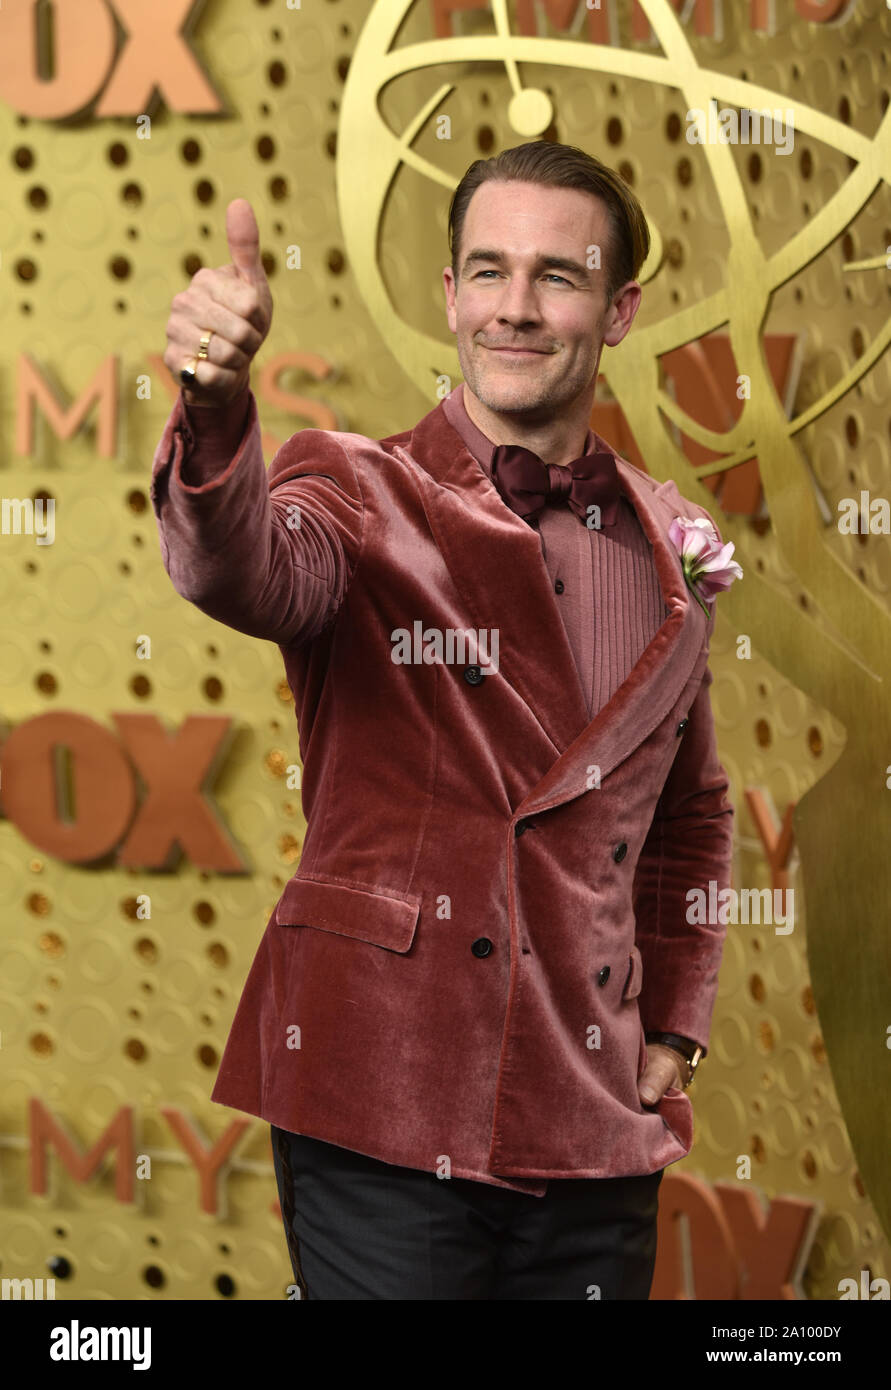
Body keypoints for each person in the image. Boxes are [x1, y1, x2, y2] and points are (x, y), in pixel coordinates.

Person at [150, 139, 737, 1300]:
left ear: (618, 311)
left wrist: (672, 1026)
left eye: (556, 278)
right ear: (449, 295)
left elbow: (689, 813)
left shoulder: (675, 549)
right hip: (384, 1101)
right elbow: (244, 569)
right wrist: (215, 407)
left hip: (593, 1119)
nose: (513, 309)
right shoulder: (360, 488)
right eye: (486, 272)